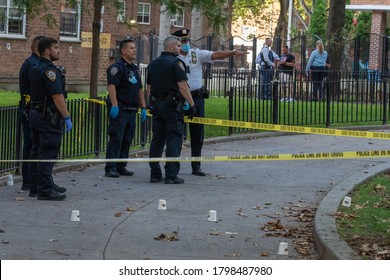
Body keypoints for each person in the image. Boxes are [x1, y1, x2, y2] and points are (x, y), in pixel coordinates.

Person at [171, 28, 247, 176]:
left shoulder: (196, 54)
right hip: (179, 99)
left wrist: (232, 52)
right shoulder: (172, 58)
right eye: (182, 41)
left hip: (196, 99)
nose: (185, 44)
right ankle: (174, 167)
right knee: (176, 133)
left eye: (187, 41)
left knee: (197, 133)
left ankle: (196, 166)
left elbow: (215, 55)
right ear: (176, 44)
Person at [146, 35, 196, 184]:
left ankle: (155, 174)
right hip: (172, 107)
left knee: (157, 140)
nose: (181, 49)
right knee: (174, 138)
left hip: (157, 106)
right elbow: (182, 85)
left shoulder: (153, 64)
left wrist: (151, 104)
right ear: (170, 47)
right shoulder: (177, 63)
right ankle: (171, 175)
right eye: (179, 46)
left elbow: (148, 88)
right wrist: (192, 104)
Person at [28, 37, 72, 201]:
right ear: (47, 50)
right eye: (55, 47)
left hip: (36, 113)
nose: (58, 50)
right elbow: (57, 96)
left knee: (37, 150)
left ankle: (37, 185)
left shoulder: (35, 67)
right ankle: (45, 189)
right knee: (48, 150)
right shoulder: (49, 71)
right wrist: (66, 116)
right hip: (48, 116)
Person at [105, 39, 147, 178]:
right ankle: (110, 167)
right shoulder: (117, 68)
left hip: (132, 109)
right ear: (123, 51)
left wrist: (143, 106)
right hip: (121, 108)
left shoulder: (134, 68)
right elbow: (111, 86)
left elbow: (140, 88)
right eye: (131, 48)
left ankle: (121, 166)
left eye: (134, 48)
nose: (134, 50)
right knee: (116, 138)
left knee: (127, 139)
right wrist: (114, 105)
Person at [18, 36, 45, 191]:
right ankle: (30, 180)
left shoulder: (31, 63)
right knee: (33, 146)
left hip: (28, 109)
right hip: (31, 110)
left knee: (31, 145)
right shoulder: (34, 65)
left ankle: (30, 179)